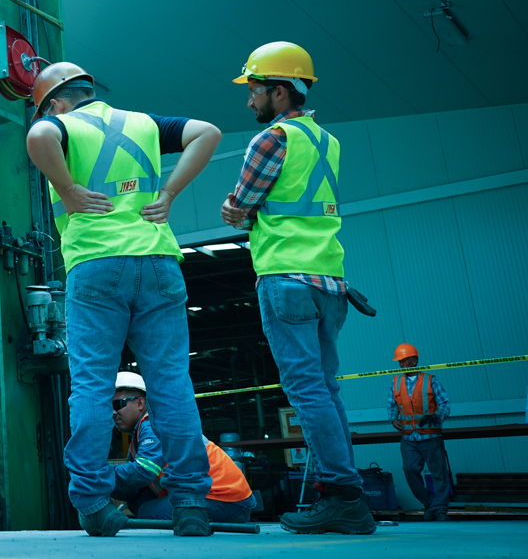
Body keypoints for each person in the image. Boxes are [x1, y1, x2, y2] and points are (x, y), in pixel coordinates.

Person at [24, 62, 221, 537]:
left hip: (96, 264)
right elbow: (209, 132)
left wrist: (68, 189)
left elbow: (37, 141)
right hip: (157, 262)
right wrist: (170, 192)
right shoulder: (144, 123)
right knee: (171, 384)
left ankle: (93, 503)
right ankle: (191, 502)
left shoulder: (59, 124)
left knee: (92, 387)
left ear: (54, 102)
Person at [220, 42, 375, 535]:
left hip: (287, 278)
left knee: (307, 391)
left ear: (280, 90)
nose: (249, 101)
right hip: (331, 281)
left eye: (254, 90)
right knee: (327, 390)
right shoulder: (326, 141)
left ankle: (343, 497)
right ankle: (347, 495)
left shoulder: (272, 139)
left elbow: (239, 204)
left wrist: (235, 209)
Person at [109, 372, 255, 523]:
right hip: (216, 498)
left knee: (147, 510)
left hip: (227, 502)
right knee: (139, 500)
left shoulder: (152, 425)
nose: (113, 413)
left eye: (117, 405)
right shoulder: (139, 434)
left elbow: (144, 471)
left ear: (140, 403)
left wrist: (97, 472)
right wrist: (95, 482)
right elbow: (131, 486)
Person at [387, 343, 451, 521]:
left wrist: (436, 416)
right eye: (399, 362)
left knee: (439, 474)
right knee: (410, 470)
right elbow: (391, 404)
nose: (400, 365)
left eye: (404, 361)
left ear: (414, 360)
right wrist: (393, 419)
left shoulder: (431, 380)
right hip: (408, 437)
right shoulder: (396, 382)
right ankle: (430, 502)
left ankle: (439, 510)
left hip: (430, 435)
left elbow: (445, 404)